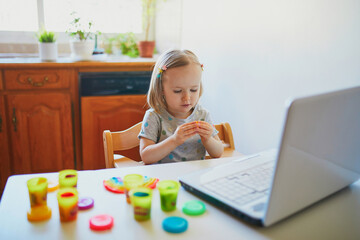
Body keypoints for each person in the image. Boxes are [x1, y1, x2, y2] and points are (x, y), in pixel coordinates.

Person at [138, 49, 224, 164]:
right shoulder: (154, 117)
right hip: (165, 178)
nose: (187, 98)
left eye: (193, 90)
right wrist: (174, 140)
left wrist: (208, 139)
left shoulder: (203, 115)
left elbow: (218, 153)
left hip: (194, 177)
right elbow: (146, 157)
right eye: (178, 91)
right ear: (161, 89)